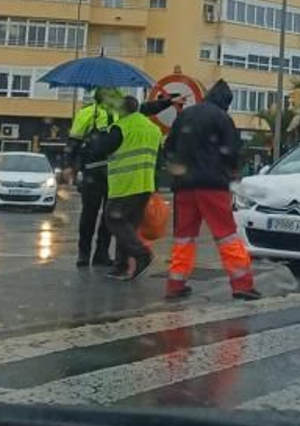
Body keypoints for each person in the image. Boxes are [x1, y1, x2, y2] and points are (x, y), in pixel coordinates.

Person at [162, 79, 258, 301]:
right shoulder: (222, 118)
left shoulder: (185, 115)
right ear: (225, 102)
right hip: (213, 186)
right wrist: (230, 171)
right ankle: (242, 284)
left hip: (184, 187)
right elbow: (231, 152)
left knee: (184, 237)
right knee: (226, 235)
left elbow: (168, 149)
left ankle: (175, 284)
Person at [102, 96, 165, 281]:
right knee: (129, 225)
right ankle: (120, 265)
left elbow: (101, 149)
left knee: (114, 220)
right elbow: (159, 158)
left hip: (125, 183)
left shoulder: (120, 127)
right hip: (145, 184)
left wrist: (98, 137)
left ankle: (141, 254)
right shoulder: (153, 129)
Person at [70, 91, 119, 268]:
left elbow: (73, 142)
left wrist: (72, 166)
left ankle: (92, 254)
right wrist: (71, 165)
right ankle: (93, 253)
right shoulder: (91, 113)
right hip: (102, 171)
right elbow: (74, 140)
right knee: (99, 215)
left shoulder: (90, 112)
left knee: (97, 215)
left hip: (100, 171)